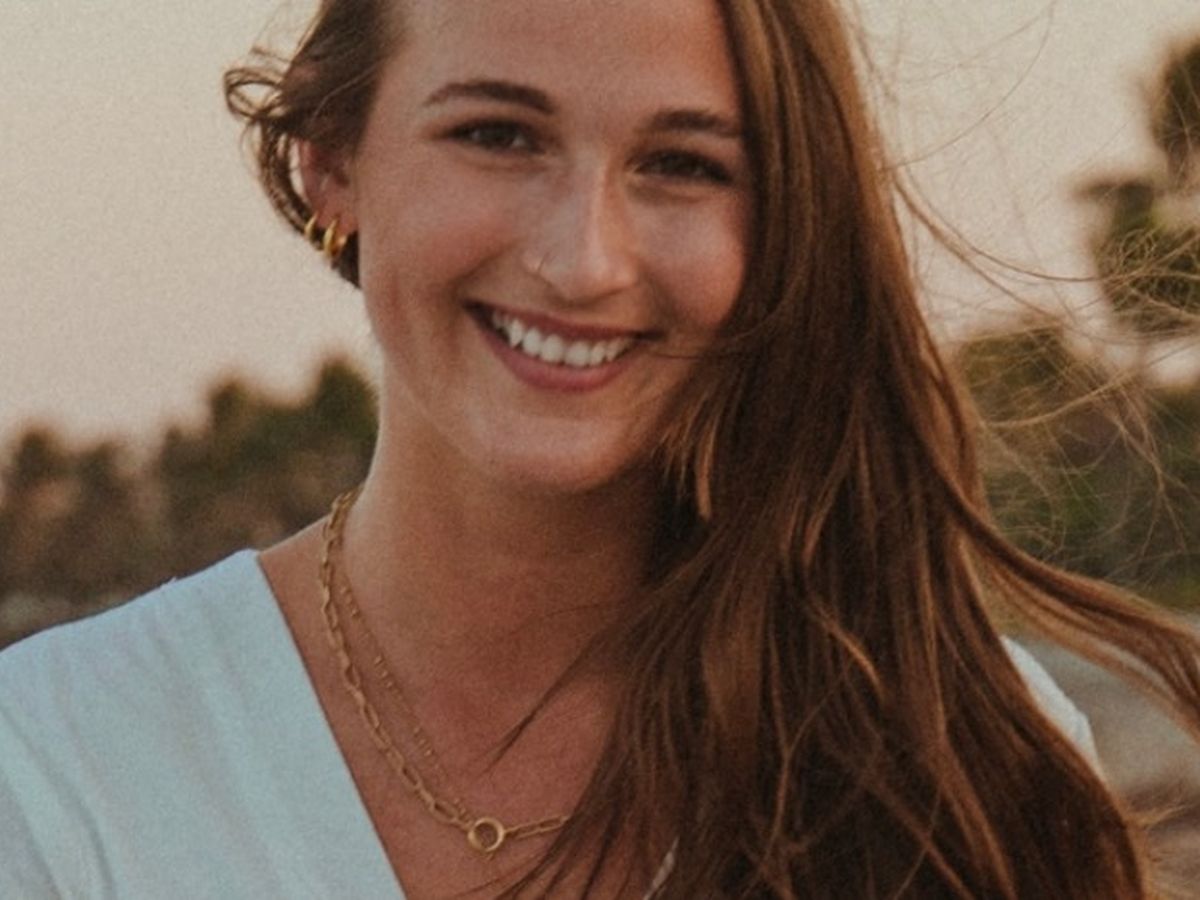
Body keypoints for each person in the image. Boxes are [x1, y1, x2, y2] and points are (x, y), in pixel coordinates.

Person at [2, 0, 1199, 897]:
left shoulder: (962, 756)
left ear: (783, 223)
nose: (583, 261)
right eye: (498, 135)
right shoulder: (52, 769)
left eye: (682, 165)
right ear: (332, 157)